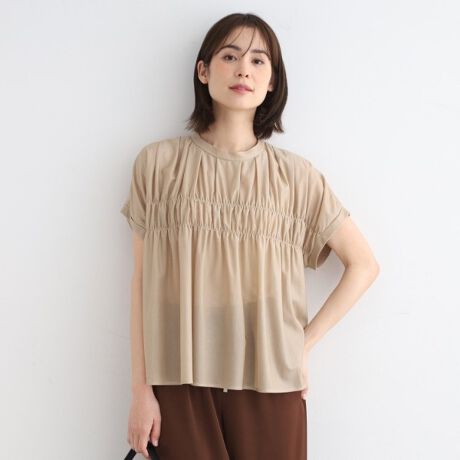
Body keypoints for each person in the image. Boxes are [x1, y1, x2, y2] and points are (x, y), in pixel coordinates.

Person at [121, 12, 379, 460]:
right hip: (180, 379)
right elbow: (141, 282)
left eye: (259, 60)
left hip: (271, 382)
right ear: (203, 71)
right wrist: (141, 391)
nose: (244, 69)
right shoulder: (158, 166)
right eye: (230, 56)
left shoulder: (296, 178)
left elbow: (364, 265)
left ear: (272, 81)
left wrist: (304, 345)